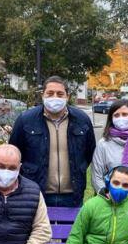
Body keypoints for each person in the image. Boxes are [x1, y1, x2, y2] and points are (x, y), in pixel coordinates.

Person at [9, 76, 96, 208]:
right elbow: (14, 153)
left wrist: (80, 168)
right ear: (42, 95)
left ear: (67, 96)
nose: (55, 97)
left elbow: (89, 152)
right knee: (38, 229)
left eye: (60, 94)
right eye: (50, 93)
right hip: (35, 193)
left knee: (70, 229)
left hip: (73, 195)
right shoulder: (25, 120)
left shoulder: (82, 120)